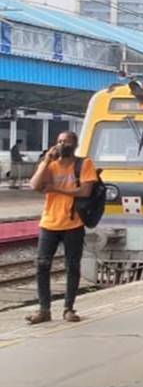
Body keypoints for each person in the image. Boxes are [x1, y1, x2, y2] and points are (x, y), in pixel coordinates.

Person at [26, 131, 97, 324]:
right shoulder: (51, 166)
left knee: (72, 266)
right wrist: (46, 162)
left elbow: (85, 191)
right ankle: (44, 309)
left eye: (66, 141)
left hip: (73, 223)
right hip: (49, 222)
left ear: (74, 144)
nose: (61, 144)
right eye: (59, 141)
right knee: (42, 265)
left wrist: (55, 189)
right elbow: (34, 185)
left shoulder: (84, 164)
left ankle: (68, 308)